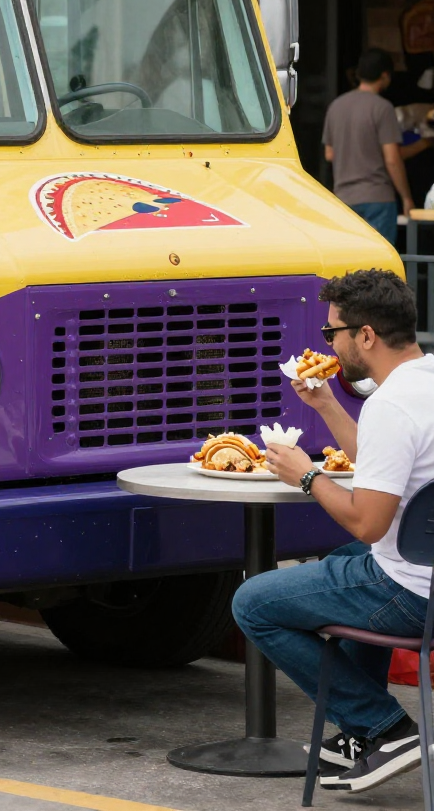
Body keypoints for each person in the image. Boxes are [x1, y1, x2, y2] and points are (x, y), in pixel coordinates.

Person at [233, 268, 434, 792]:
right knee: (339, 561)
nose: (329, 344)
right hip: (423, 568)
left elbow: (369, 524)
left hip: (413, 592)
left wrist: (307, 475)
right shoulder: (424, 384)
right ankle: (361, 735)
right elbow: (380, 470)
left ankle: (384, 728)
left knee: (253, 602)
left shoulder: (390, 405)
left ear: (365, 335)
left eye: (332, 333)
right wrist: (324, 404)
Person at [322, 49, 429, 243]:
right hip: (377, 199)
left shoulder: (336, 106)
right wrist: (406, 198)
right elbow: (392, 159)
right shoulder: (382, 108)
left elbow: (329, 154)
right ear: (385, 75)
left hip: (343, 199)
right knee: (379, 269)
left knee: (350, 266)